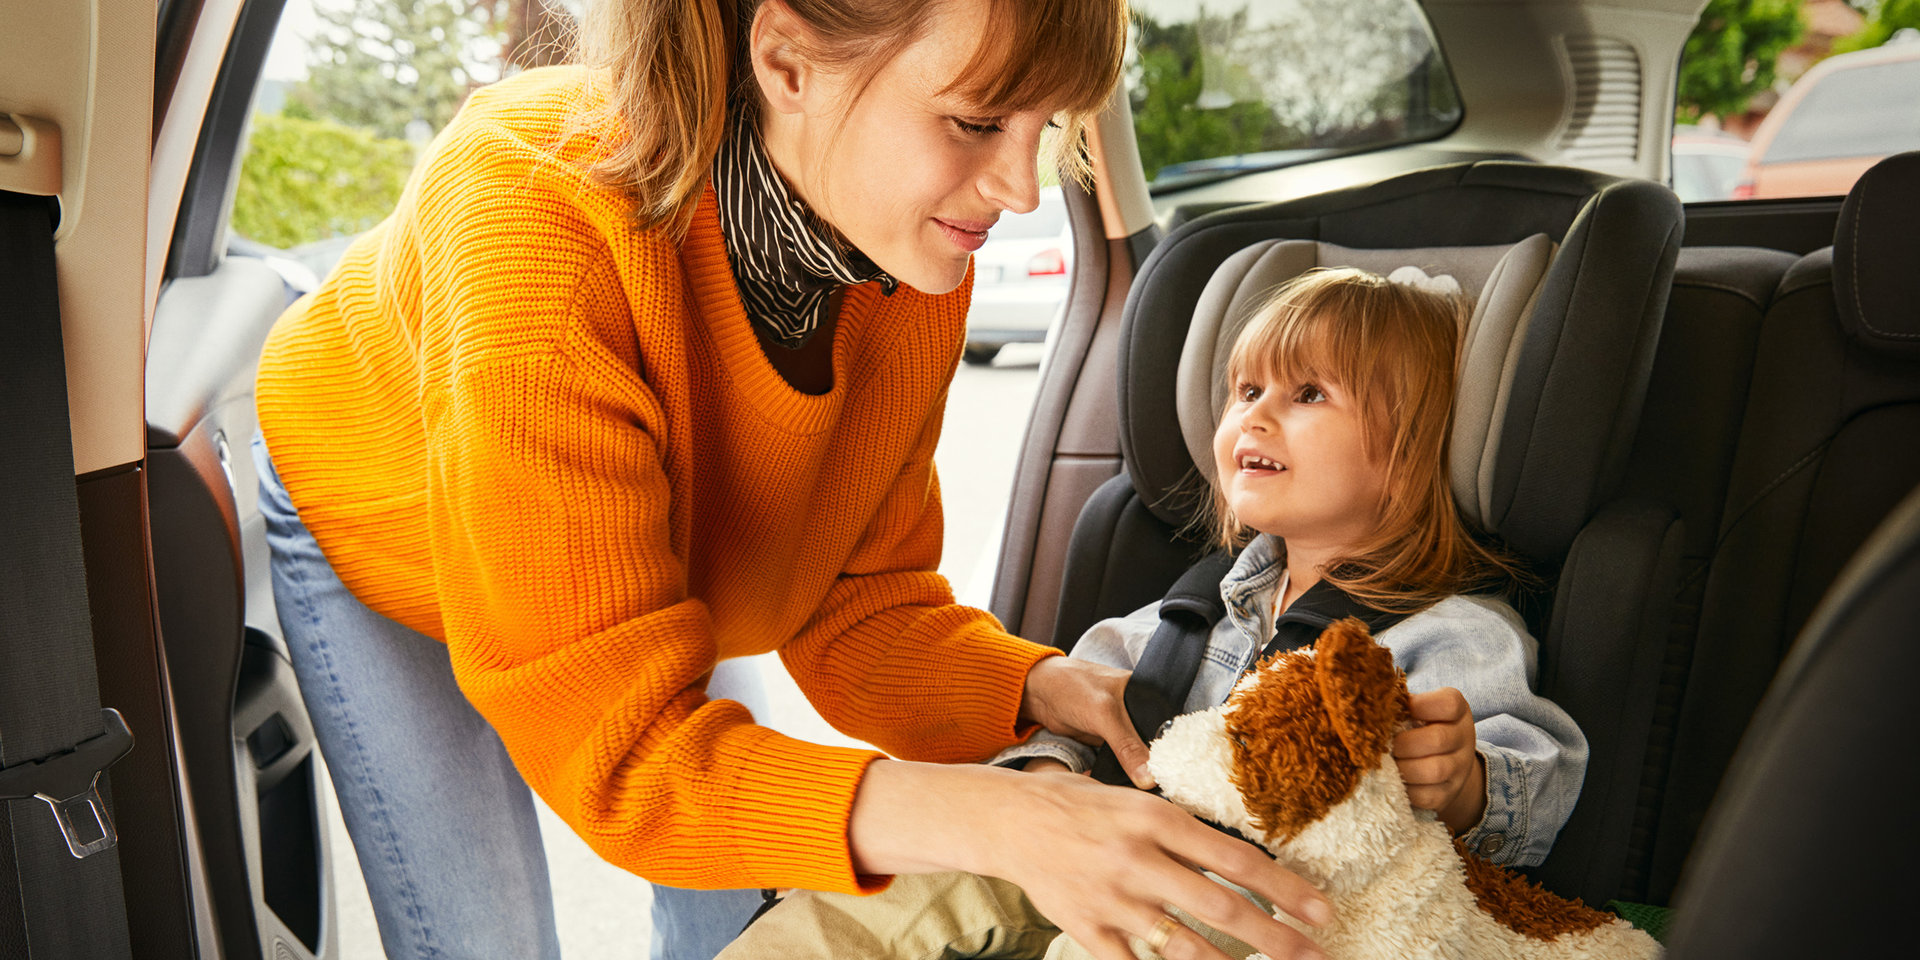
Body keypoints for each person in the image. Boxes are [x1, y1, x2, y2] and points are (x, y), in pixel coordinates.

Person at [248, 1, 1341, 959]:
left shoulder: (913, 255)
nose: (1018, 187)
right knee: (488, 941)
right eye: (975, 121)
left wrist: (1037, 688)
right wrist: (1014, 824)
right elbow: (627, 759)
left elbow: (856, 600)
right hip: (384, 528)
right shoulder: (537, 224)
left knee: (736, 913)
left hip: (647, 551)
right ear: (786, 62)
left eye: (1045, 129)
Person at [715, 267, 1591, 960]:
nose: (1257, 414)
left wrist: (1468, 784)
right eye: (1246, 391)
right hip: (1104, 840)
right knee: (876, 894)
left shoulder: (1452, 632)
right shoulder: (1184, 613)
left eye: (1308, 395)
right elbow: (1071, 712)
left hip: (1269, 892)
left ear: (1409, 453)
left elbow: (1539, 785)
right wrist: (1048, 782)